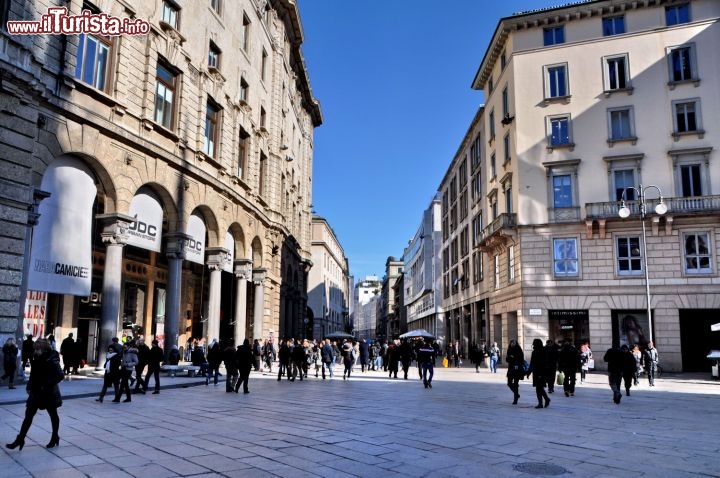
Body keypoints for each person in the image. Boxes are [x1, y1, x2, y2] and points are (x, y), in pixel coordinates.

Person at [6, 339, 64, 450]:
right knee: (28, 416)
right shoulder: (36, 357)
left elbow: (60, 375)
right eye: (35, 348)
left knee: (53, 415)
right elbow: (34, 374)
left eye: (37, 348)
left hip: (48, 392)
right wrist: (29, 386)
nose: (35, 350)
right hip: (36, 392)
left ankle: (55, 436)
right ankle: (20, 439)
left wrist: (46, 385)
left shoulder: (52, 357)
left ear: (43, 348)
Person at [526, 338, 550, 409]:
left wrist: (540, 374)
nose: (533, 344)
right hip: (536, 372)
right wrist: (529, 372)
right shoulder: (535, 351)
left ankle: (541, 403)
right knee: (539, 388)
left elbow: (543, 363)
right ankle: (546, 400)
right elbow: (532, 363)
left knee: (539, 388)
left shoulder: (542, 351)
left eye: (534, 343)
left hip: (540, 372)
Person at [505, 339, 525, 405]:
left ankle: (515, 399)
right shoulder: (509, 349)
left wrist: (513, 358)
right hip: (511, 369)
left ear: (516, 343)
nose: (512, 344)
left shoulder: (519, 349)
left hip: (517, 369)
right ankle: (516, 394)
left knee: (516, 384)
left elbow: (521, 359)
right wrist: (511, 358)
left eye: (514, 343)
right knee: (509, 383)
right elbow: (507, 359)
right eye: (511, 343)